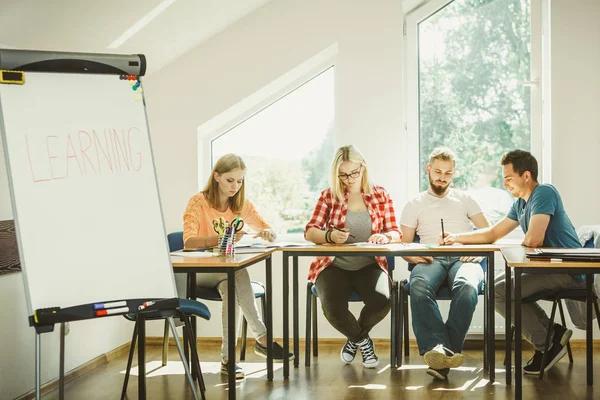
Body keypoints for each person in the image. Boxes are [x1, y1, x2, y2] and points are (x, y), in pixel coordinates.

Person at [441, 149, 583, 375]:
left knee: (500, 292)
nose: (505, 184)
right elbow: (492, 234)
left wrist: (523, 242)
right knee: (495, 290)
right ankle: (551, 335)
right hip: (548, 268)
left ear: (526, 176)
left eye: (509, 178)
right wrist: (456, 238)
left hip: (567, 270)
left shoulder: (544, 192)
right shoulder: (520, 204)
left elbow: (534, 239)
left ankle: (547, 343)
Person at [181, 153, 293, 379]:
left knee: (233, 281)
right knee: (237, 274)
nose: (235, 186)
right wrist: (224, 237)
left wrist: (267, 232)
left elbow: (263, 226)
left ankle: (228, 361)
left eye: (240, 181)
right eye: (230, 180)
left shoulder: (240, 204)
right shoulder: (198, 202)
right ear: (216, 177)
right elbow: (189, 242)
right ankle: (262, 338)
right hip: (199, 272)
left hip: (226, 272)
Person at [304, 145, 402, 369]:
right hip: (333, 266)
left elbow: (397, 232)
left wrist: (385, 237)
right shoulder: (329, 195)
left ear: (363, 168)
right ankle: (363, 341)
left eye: (353, 173)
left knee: (383, 301)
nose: (348, 179)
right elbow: (310, 231)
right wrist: (329, 235)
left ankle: (353, 339)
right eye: (343, 174)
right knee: (332, 307)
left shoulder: (380, 194)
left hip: (370, 264)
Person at [400, 147, 491, 380]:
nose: (442, 177)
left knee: (468, 287)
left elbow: (489, 233)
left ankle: (441, 351)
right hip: (430, 258)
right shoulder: (414, 204)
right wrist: (411, 257)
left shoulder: (465, 199)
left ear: (454, 173)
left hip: (464, 257)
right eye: (438, 171)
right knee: (418, 288)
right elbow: (404, 244)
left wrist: (480, 253)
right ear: (429, 170)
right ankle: (443, 349)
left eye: (448, 173)